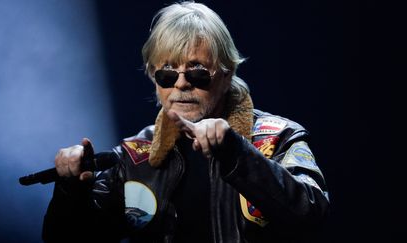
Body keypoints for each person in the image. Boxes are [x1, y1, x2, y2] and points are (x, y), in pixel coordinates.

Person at [42, 1, 329, 242]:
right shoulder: (132, 158)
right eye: (167, 73)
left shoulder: (278, 137)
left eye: (197, 71)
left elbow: (312, 217)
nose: (181, 84)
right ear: (153, 80)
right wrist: (71, 189)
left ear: (226, 76)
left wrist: (235, 152)